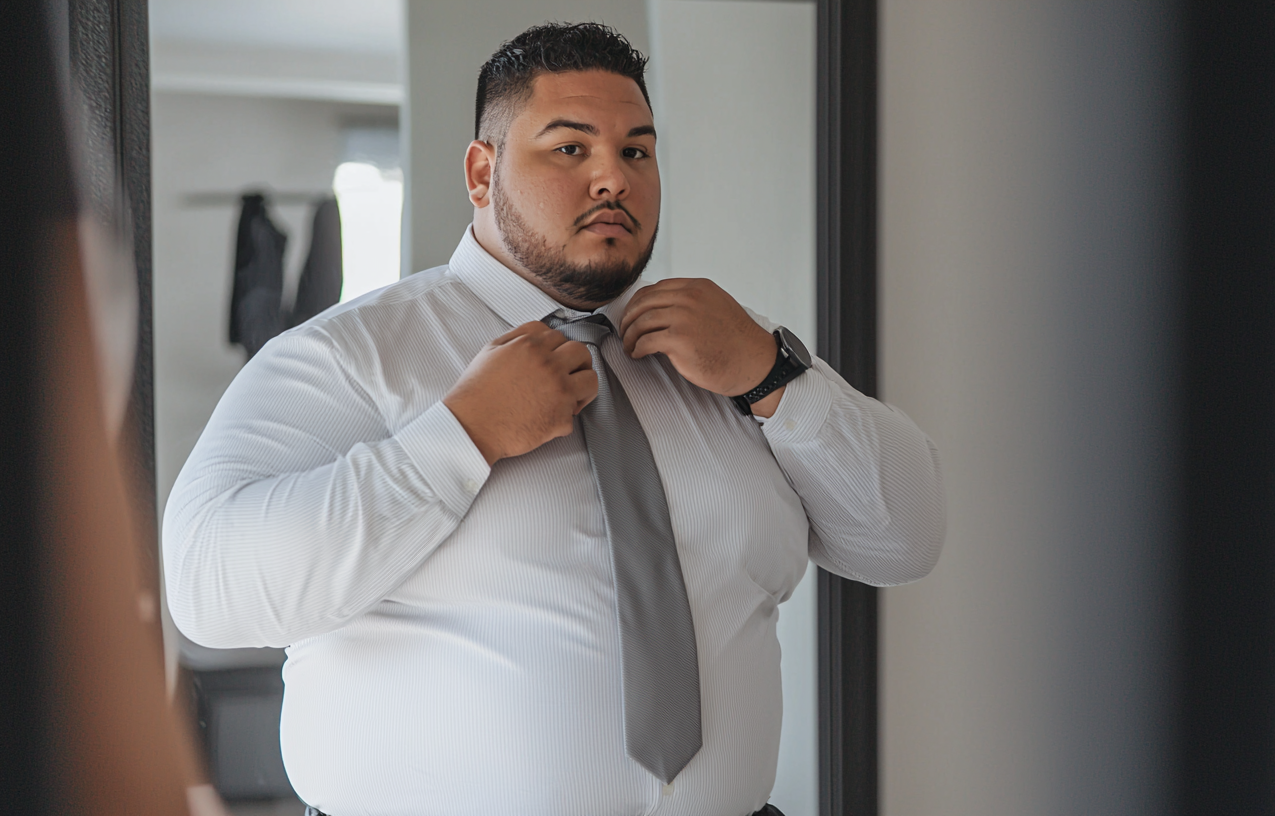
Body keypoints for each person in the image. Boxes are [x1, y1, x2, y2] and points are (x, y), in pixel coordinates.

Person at [163, 22, 943, 816]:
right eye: (571, 148)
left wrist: (775, 376)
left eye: (636, 151)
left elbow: (905, 539)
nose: (613, 178)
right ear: (482, 172)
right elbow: (205, 588)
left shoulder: (732, 354)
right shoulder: (349, 356)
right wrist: (459, 437)